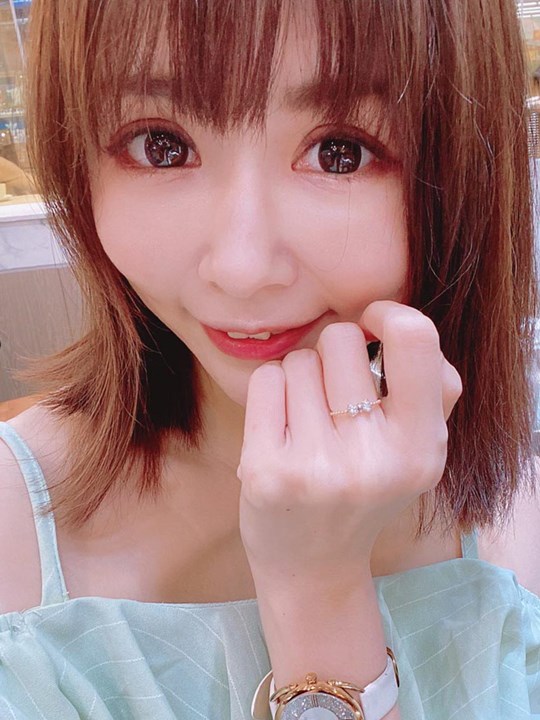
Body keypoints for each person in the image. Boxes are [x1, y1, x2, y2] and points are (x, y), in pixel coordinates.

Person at [0, 1, 538, 718]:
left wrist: (316, 583)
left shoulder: (510, 512)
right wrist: (316, 586)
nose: (242, 269)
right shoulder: (14, 536)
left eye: (340, 152)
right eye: (161, 146)